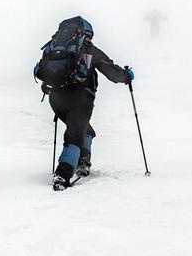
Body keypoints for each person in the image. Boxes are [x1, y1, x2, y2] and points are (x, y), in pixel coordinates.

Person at [34, 16, 134, 191]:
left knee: (85, 130)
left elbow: (41, 71)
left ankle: (83, 161)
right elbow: (111, 72)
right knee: (74, 135)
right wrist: (127, 76)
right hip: (80, 99)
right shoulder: (89, 50)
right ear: (87, 34)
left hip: (56, 99)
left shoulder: (54, 46)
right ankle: (62, 175)